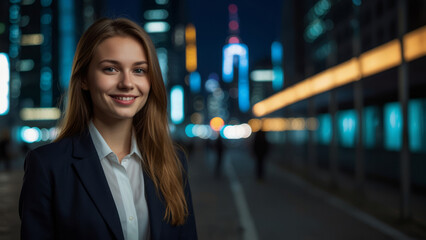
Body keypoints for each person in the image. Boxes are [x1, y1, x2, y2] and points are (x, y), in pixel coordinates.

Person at [19, 18, 197, 240]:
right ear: (84, 78)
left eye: (139, 70)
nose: (127, 83)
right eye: (111, 69)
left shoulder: (173, 162)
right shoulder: (48, 167)